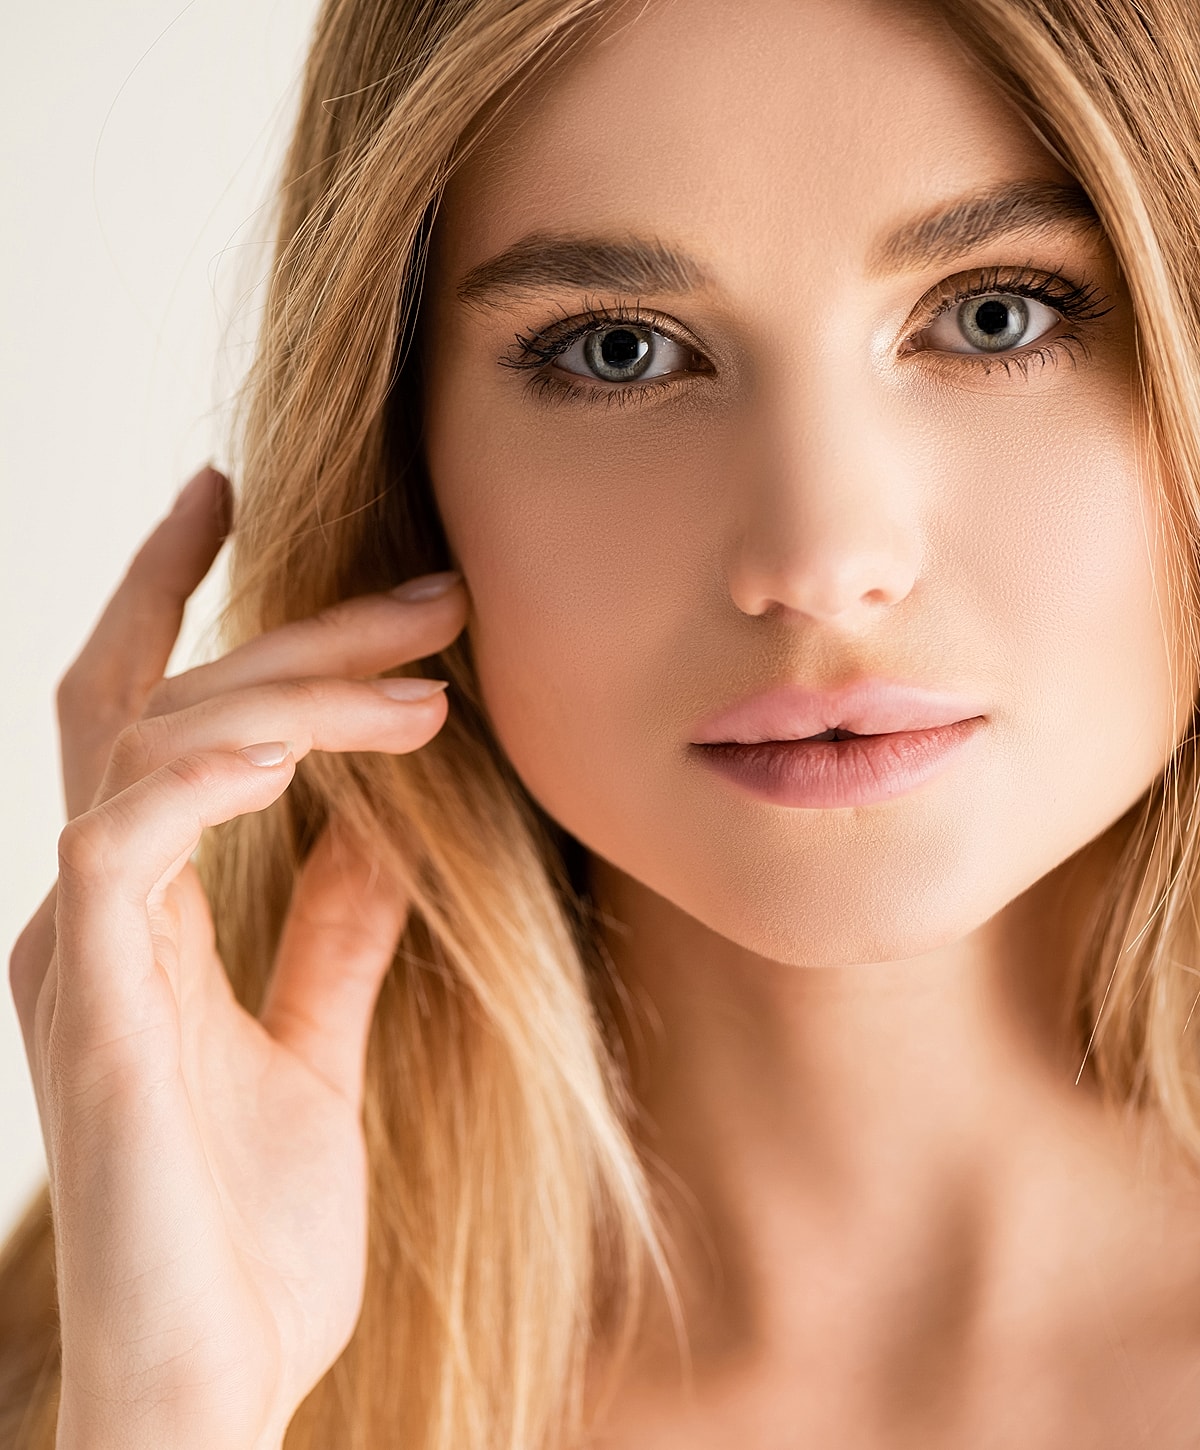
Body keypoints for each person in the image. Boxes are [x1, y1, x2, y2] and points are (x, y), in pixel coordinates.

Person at [5, 0, 1200, 1444]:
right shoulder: (121, 1368)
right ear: (406, 465)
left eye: (997, 311)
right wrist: (168, 1409)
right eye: (621, 350)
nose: (816, 558)